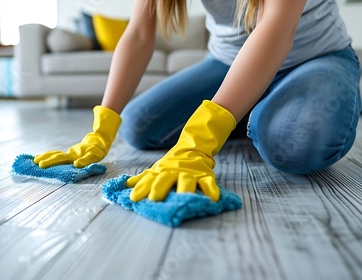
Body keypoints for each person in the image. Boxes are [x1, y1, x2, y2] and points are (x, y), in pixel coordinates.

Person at [34, 0, 361, 203]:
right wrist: (101, 128)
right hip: (226, 61)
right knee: (138, 126)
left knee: (295, 143)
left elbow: (277, 24)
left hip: (316, 58)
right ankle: (248, 108)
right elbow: (138, 34)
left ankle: (260, 111)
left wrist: (201, 140)